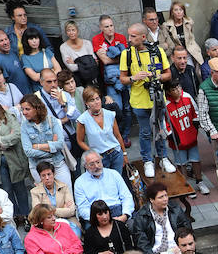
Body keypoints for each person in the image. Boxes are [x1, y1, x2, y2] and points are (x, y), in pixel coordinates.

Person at [119, 23, 173, 178]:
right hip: (139, 101)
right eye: (129, 35)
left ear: (143, 37)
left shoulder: (157, 51)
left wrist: (156, 77)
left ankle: (163, 157)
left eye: (133, 36)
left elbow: (168, 74)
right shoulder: (126, 54)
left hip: (157, 99)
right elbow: (122, 79)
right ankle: (147, 160)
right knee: (145, 132)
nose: (129, 39)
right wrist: (133, 78)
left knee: (160, 129)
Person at [74, 151, 135, 228]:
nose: (96, 166)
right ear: (85, 166)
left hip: (118, 211)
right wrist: (99, 219)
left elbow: (126, 196)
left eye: (98, 162)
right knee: (91, 233)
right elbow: (82, 208)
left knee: (133, 226)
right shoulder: (79, 182)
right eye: (92, 164)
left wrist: (125, 215)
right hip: (96, 216)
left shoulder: (114, 174)